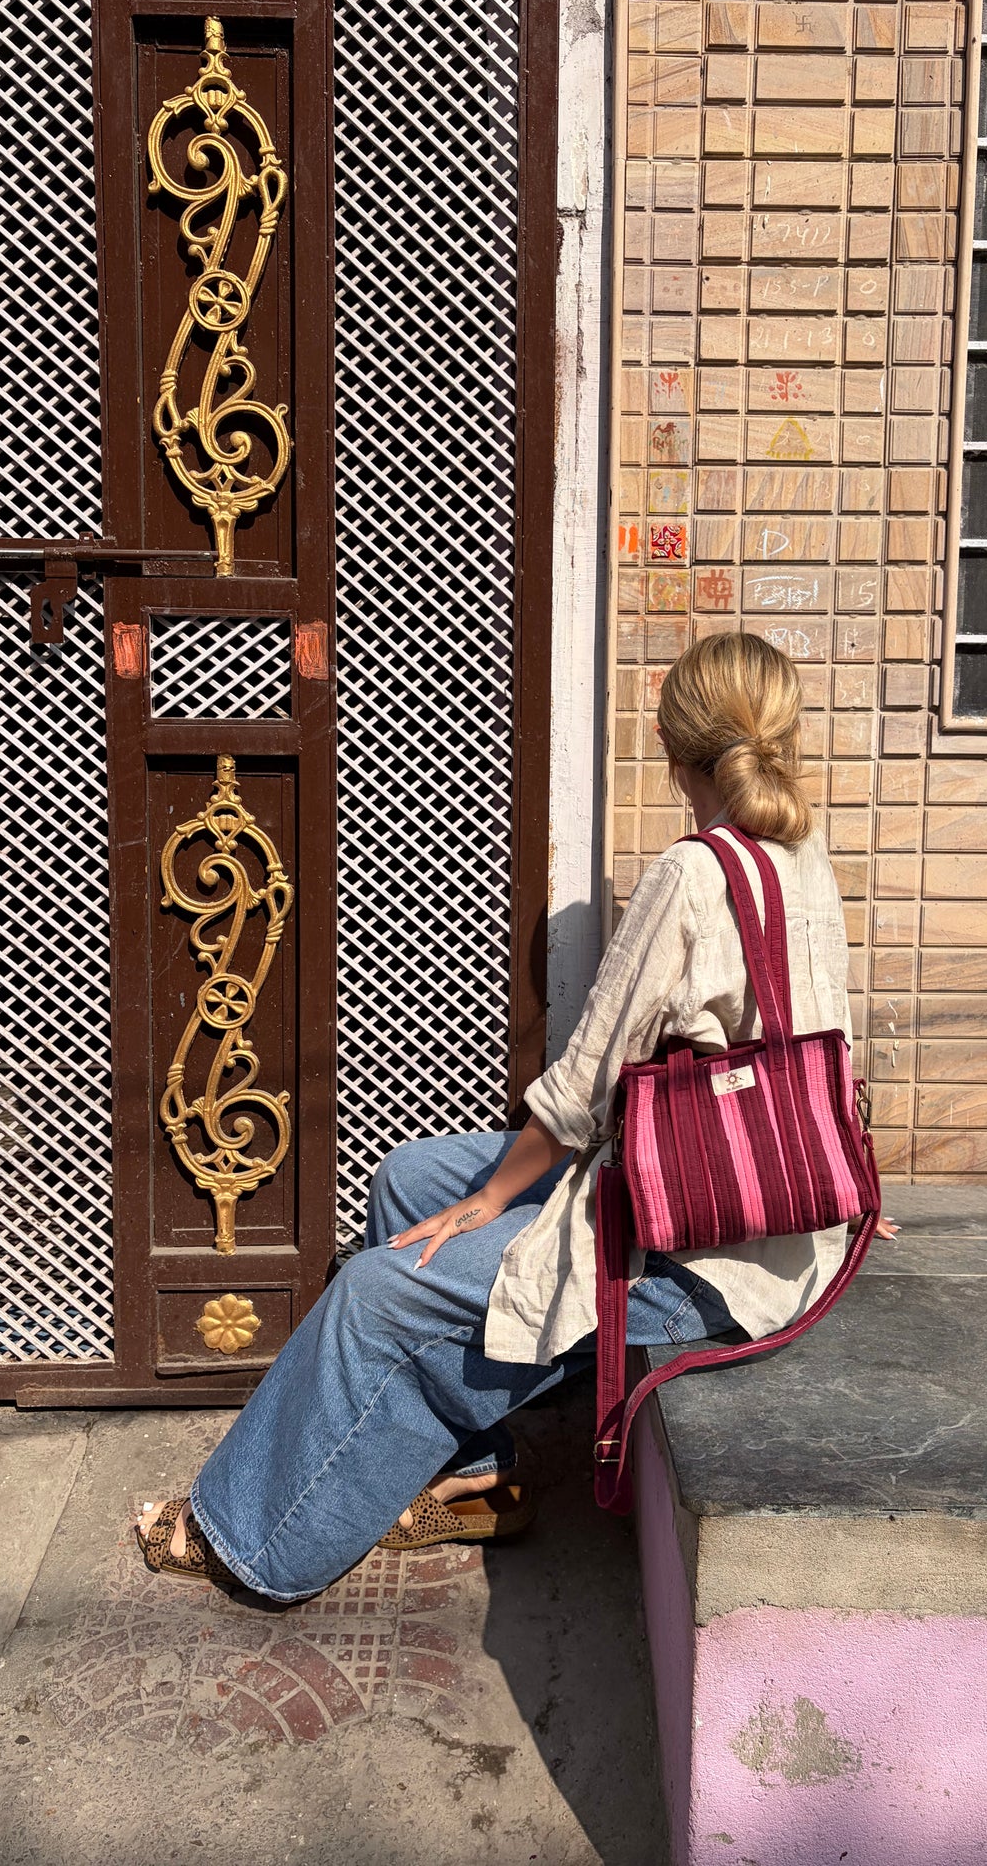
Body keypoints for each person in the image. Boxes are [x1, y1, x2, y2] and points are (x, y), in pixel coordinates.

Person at [136, 630, 895, 1598]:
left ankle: (244, 1534)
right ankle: (474, 1472)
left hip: (695, 1254)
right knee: (404, 1179)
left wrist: (491, 1197)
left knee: (375, 1291)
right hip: (764, 1211)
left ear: (673, 747)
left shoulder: (692, 875)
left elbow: (582, 1092)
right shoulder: (801, 855)